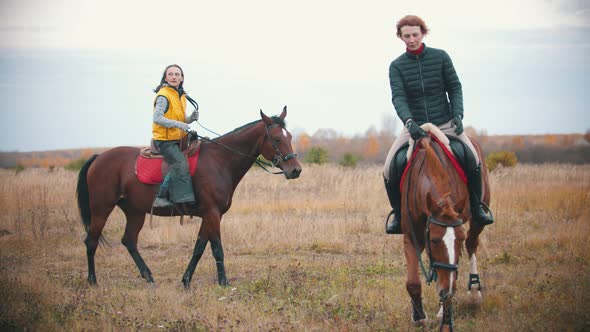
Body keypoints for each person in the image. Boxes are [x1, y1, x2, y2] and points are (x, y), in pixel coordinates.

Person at [383, 15, 494, 234]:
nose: (412, 39)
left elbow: (455, 87)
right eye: (407, 36)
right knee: (389, 168)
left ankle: (477, 207)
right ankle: (398, 214)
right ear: (401, 37)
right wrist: (409, 122)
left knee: (471, 156)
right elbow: (399, 98)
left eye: (415, 34)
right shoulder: (396, 66)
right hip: (414, 127)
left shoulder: (441, 57)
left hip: (445, 122)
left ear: (423, 33)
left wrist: (458, 114)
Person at [151, 64, 200, 208]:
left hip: (179, 138)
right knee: (179, 163)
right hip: (165, 141)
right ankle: (161, 197)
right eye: (171, 74)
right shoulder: (163, 95)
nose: (174, 77)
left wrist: (190, 118)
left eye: (177, 74)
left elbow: (179, 118)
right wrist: (179, 125)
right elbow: (157, 118)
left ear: (182, 78)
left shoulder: (180, 95)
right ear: (165, 77)